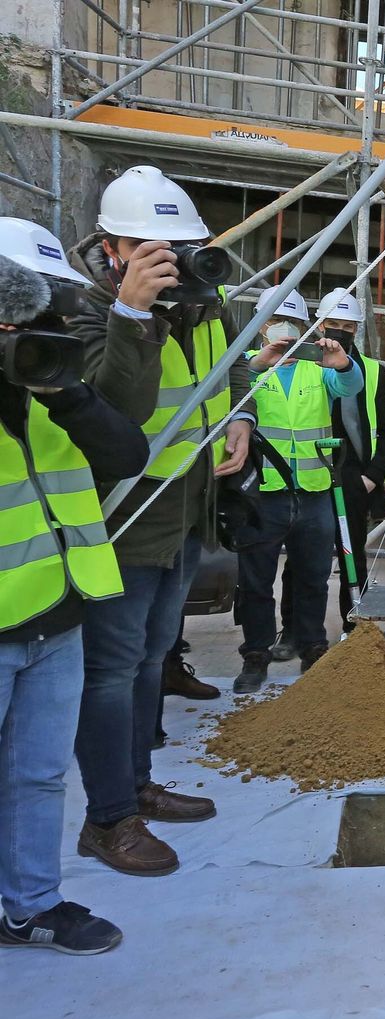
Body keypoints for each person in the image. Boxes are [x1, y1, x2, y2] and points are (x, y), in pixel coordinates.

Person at [67, 165, 254, 876]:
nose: (172, 262)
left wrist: (242, 417)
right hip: (124, 523)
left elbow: (233, 370)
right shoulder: (85, 311)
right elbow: (117, 417)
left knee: (150, 661)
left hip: (183, 516)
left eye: (180, 246)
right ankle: (108, 819)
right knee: (111, 672)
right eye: (152, 248)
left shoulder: (206, 304)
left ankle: (138, 784)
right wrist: (132, 316)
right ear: (113, 248)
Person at [0, 223, 151, 952]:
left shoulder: (51, 384)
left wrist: (66, 394)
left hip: (58, 618)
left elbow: (128, 452)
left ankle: (30, 905)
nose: (36, 333)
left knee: (37, 778)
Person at [231, 287, 362, 693]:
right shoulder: (247, 368)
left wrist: (343, 366)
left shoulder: (317, 370)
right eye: (272, 323)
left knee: (313, 577)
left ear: (305, 326)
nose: (282, 331)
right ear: (259, 325)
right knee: (255, 582)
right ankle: (256, 653)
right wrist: (255, 365)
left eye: (290, 323)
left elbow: (350, 387)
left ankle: (312, 646)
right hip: (261, 493)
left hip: (313, 491)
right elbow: (227, 395)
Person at [273, 286, 385, 654]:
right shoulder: (304, 366)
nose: (340, 331)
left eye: (348, 325)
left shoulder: (370, 371)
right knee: (301, 557)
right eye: (333, 324)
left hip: (353, 475)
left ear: (356, 330)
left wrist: (372, 476)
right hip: (310, 472)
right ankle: (293, 631)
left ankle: (355, 625)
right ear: (320, 325)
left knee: (352, 554)